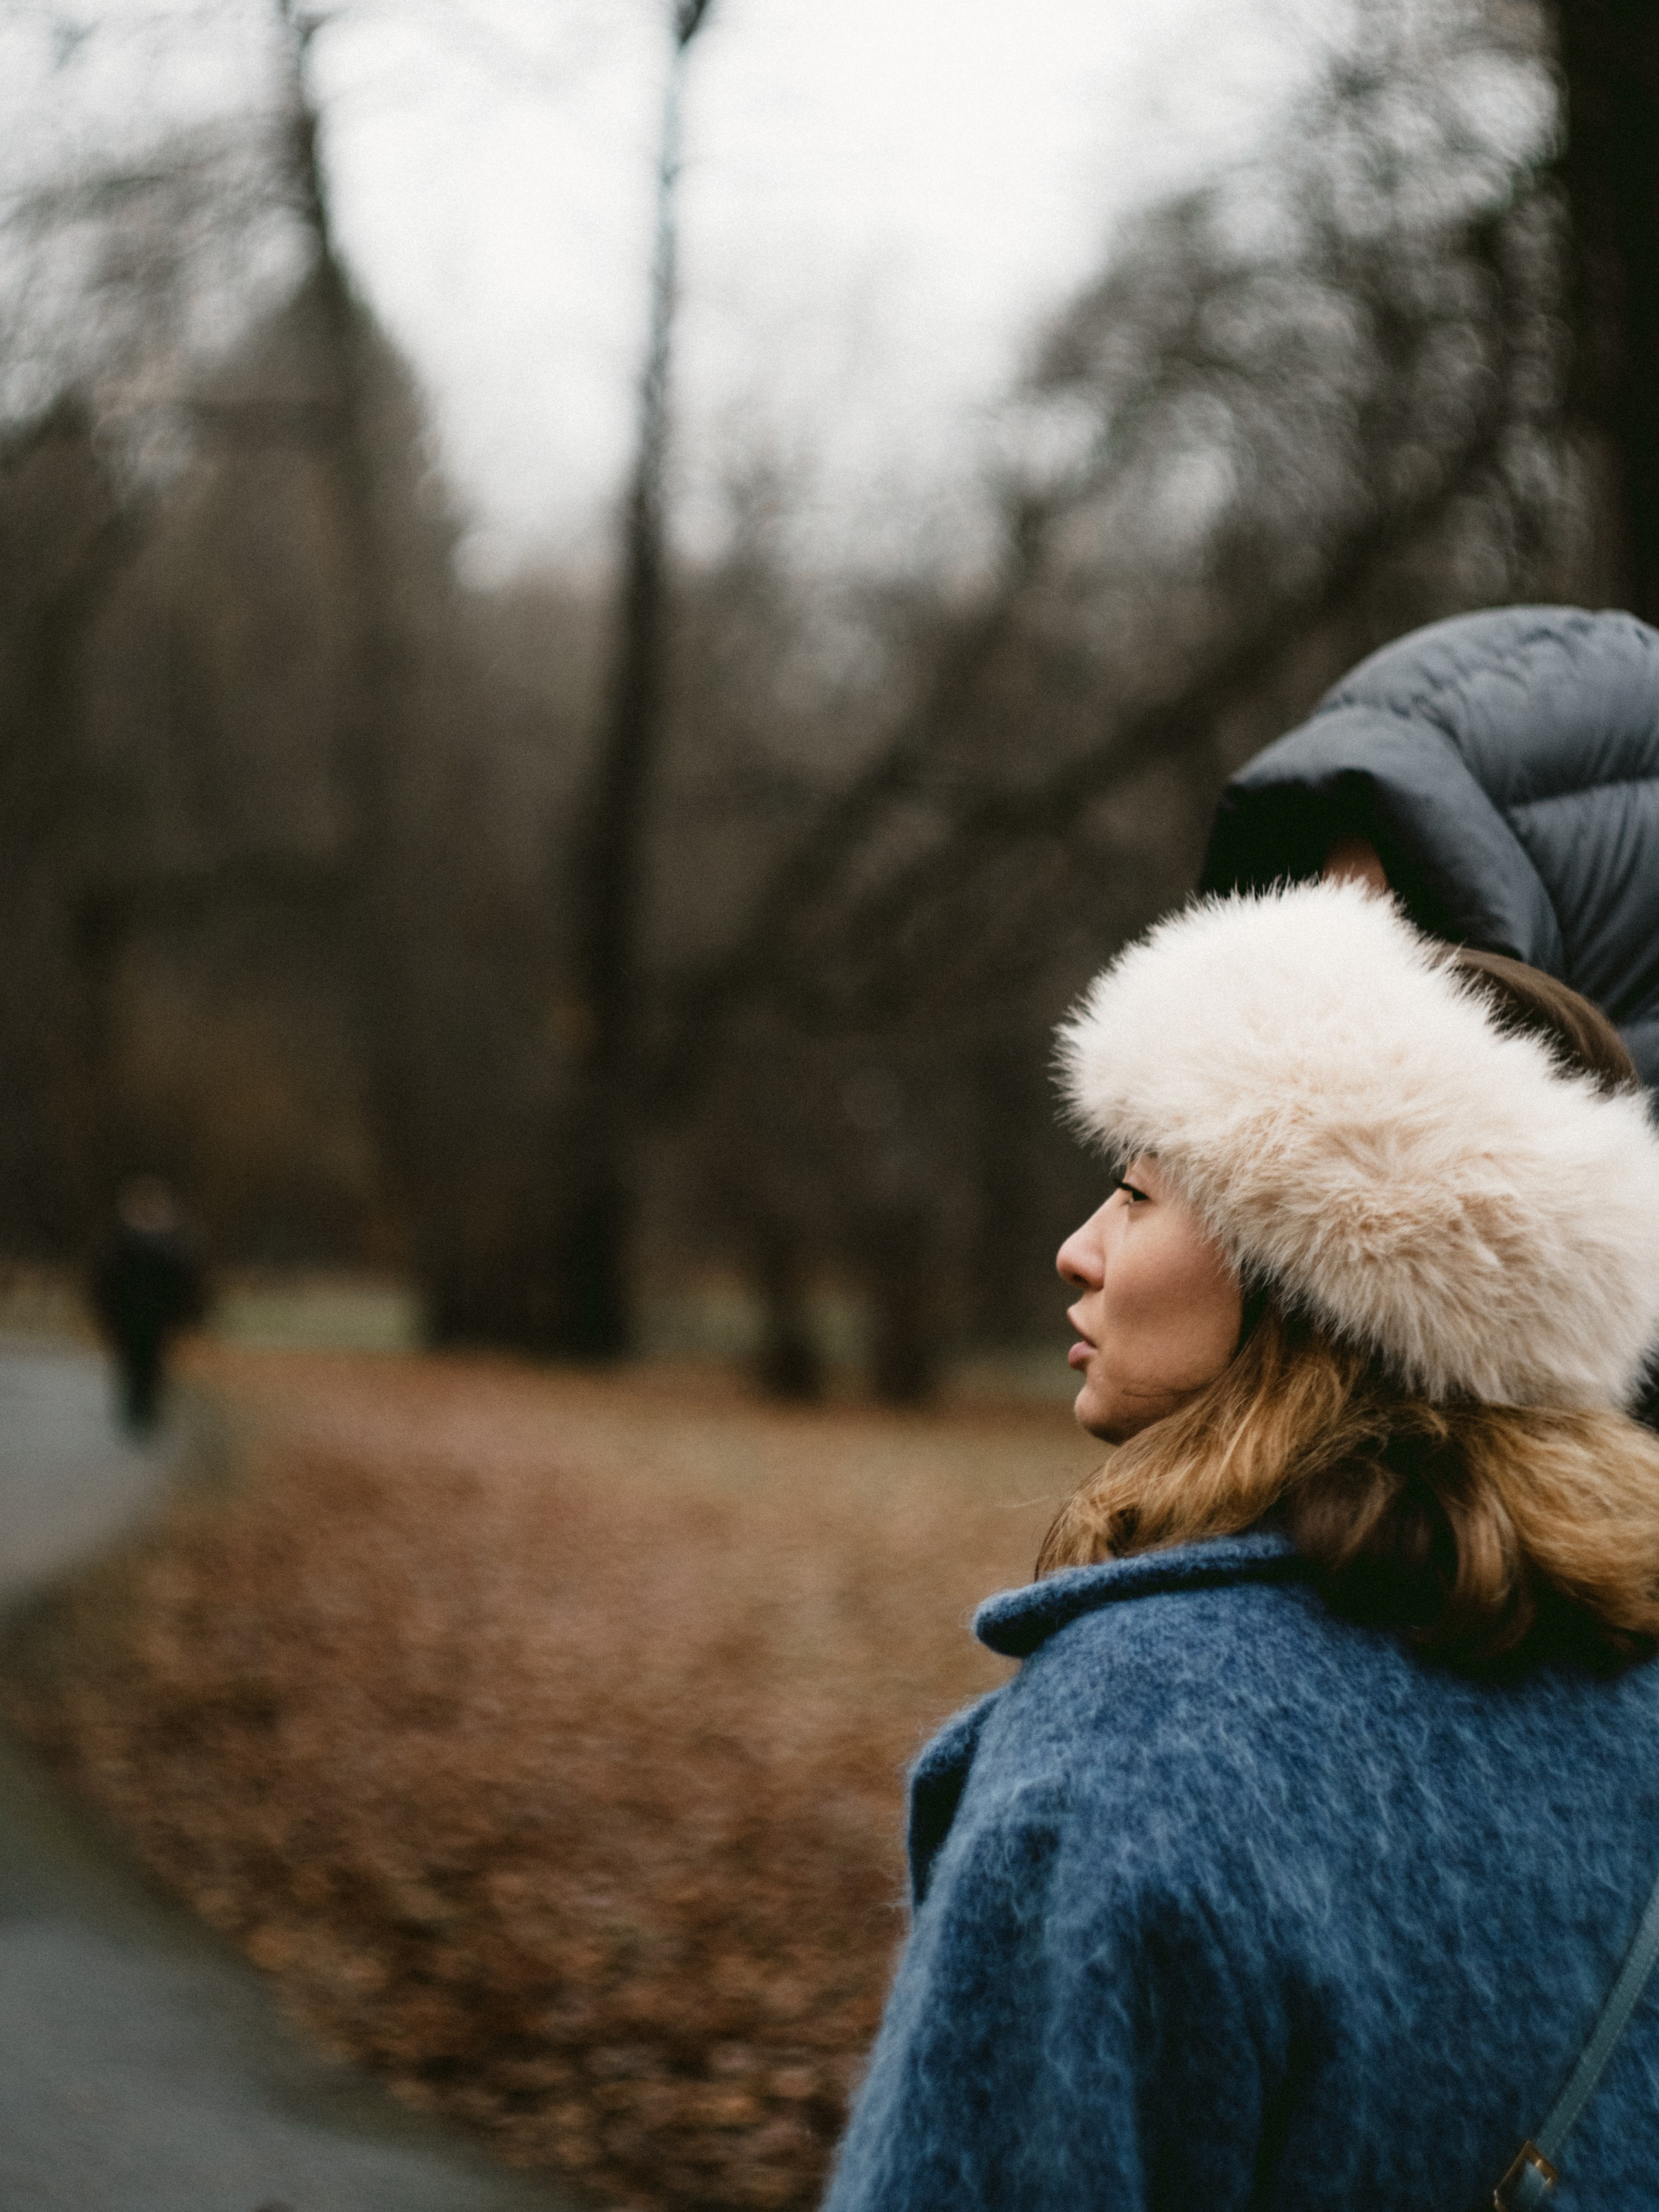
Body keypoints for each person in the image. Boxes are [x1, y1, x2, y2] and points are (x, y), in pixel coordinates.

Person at [822, 879, 1659, 2212]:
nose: (1076, 1249)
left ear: (1315, 1271)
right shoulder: (1630, 1691)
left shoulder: (1126, 1748)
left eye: (1135, 1190)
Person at [90, 1176, 208, 1436]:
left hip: (154, 1316)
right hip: (130, 1315)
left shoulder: (168, 1244)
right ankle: (138, 1411)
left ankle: (145, 1411)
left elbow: (188, 1282)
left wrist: (188, 1311)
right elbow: (104, 1281)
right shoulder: (126, 1242)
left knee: (149, 1362)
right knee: (135, 1362)